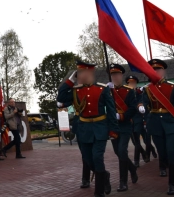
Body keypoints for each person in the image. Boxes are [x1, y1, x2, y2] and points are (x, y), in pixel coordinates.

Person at [57, 61, 119, 197]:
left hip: (99, 128)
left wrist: (113, 129)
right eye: (78, 73)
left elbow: (111, 110)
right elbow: (60, 98)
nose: (79, 76)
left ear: (89, 73)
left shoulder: (102, 89)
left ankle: (99, 192)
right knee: (88, 160)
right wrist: (70, 81)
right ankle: (104, 176)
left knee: (97, 158)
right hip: (83, 130)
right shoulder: (75, 90)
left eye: (81, 73)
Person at [140, 59, 174, 195]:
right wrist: (140, 106)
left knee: (171, 152)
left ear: (163, 71)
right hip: (155, 124)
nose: (156, 72)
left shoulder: (172, 87)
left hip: (170, 123)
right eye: (153, 70)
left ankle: (172, 184)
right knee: (162, 154)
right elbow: (144, 103)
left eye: (158, 70)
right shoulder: (147, 89)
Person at [107, 64, 138, 192]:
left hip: (125, 125)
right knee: (118, 152)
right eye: (112, 75)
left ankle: (123, 182)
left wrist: (121, 116)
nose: (115, 77)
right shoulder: (108, 91)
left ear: (121, 75)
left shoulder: (129, 91)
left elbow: (132, 108)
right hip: (113, 126)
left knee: (122, 150)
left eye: (117, 75)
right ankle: (132, 168)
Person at [126, 75, 148, 167]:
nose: (132, 84)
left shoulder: (139, 93)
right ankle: (143, 153)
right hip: (130, 119)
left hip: (138, 118)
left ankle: (136, 160)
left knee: (139, 141)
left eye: (133, 83)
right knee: (135, 142)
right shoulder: (126, 93)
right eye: (130, 83)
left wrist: (140, 106)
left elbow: (141, 101)